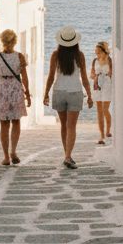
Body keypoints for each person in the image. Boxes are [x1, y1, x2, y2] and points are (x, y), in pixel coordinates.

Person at [42, 25, 93, 169]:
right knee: (72, 126)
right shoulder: (80, 55)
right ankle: (68, 156)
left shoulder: (55, 55)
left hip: (59, 92)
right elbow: (84, 77)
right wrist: (89, 95)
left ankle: (67, 155)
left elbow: (51, 77)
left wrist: (46, 94)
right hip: (75, 92)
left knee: (64, 125)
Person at [0, 28, 31, 166]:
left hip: (1, 88)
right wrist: (27, 93)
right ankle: (13, 151)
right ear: (14, 41)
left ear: (2, 41)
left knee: (4, 124)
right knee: (16, 121)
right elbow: (24, 77)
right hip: (15, 88)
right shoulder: (19, 56)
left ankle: (6, 157)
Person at [90, 41, 113, 144]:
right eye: (96, 51)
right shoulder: (95, 61)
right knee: (99, 110)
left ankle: (108, 131)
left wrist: (105, 76)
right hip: (97, 85)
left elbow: (111, 73)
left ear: (104, 51)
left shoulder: (109, 61)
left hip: (107, 85)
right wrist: (95, 76)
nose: (97, 53)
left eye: (99, 51)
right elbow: (91, 74)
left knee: (105, 109)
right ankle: (102, 135)